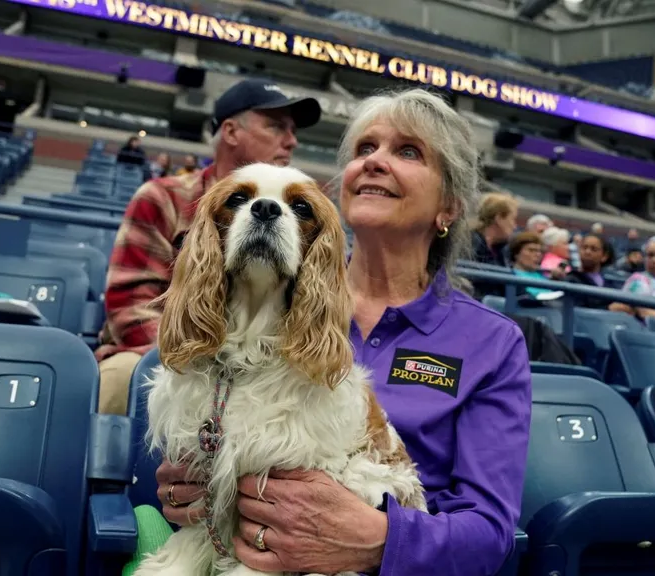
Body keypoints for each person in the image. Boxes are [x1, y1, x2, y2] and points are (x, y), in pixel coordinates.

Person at [148, 88, 530, 576]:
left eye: (407, 151)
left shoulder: (491, 342)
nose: (374, 162)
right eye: (364, 149)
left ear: (449, 207)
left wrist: (376, 539)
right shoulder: (252, 307)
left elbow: (490, 536)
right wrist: (195, 480)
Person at [96, 78, 321, 415]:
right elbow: (130, 307)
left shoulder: (302, 215)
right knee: (119, 377)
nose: (291, 141)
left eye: (292, 131)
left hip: (263, 364)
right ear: (230, 132)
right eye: (276, 127)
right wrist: (207, 364)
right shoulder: (163, 197)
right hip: (164, 352)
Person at [509, 231, 564, 300]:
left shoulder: (543, 276)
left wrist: (556, 280)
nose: (538, 255)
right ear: (516, 253)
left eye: (539, 251)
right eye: (531, 250)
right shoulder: (510, 276)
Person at [566, 232, 616, 309]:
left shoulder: (609, 283)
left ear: (604, 256)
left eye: (594, 249)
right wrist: (609, 309)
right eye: (584, 247)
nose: (587, 252)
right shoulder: (572, 280)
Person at [470, 192, 518, 267]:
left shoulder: (502, 249)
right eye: (513, 219)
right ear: (499, 218)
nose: (514, 226)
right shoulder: (470, 244)